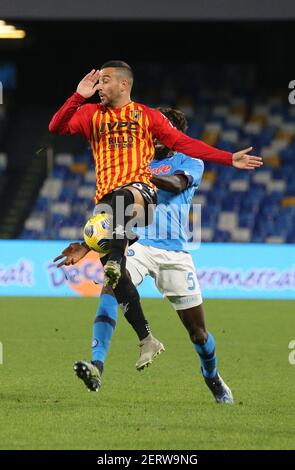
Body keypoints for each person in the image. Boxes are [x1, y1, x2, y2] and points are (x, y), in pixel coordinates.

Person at [54, 106, 260, 403]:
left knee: (198, 333)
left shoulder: (189, 161)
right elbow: (113, 213)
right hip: (138, 243)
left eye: (166, 130)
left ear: (175, 134)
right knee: (111, 285)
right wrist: (86, 245)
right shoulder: (137, 160)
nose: (158, 136)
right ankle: (96, 366)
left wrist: (142, 179)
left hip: (174, 252)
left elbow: (177, 184)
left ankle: (212, 377)